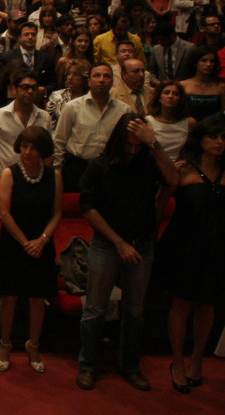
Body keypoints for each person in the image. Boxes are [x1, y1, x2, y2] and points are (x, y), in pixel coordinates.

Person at [75, 113, 178, 392]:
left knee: (135, 311)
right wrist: (119, 243)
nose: (133, 151)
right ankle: (87, 364)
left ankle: (130, 365)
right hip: (106, 244)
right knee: (94, 310)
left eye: (138, 146)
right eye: (129, 145)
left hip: (142, 243)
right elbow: (88, 208)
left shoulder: (148, 161)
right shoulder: (99, 165)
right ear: (119, 140)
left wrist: (153, 143)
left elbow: (173, 179)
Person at [159, 115, 225, 393]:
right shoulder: (183, 169)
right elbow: (159, 205)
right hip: (184, 245)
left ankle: (197, 359)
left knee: (207, 306)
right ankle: (177, 362)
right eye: (214, 136)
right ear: (200, 139)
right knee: (181, 306)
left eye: (224, 137)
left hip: (217, 247)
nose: (220, 142)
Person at [0, 126, 62, 374]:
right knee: (9, 297)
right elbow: (4, 213)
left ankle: (33, 345)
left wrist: (41, 240)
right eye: (24, 146)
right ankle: (5, 344)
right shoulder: (9, 174)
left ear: (43, 150)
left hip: (42, 243)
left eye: (33, 148)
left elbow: (57, 213)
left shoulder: (54, 175)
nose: (28, 152)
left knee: (37, 298)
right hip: (14, 244)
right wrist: (26, 243)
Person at [54, 62, 131, 192]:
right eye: (97, 76)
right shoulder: (72, 107)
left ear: (112, 81)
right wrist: (57, 171)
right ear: (89, 81)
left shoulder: (124, 110)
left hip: (109, 169)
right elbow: (59, 142)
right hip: (77, 168)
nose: (101, 80)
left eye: (106, 76)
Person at [0, 71, 52, 186]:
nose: (30, 91)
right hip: (6, 180)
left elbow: (49, 152)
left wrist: (44, 179)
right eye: (25, 87)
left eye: (34, 88)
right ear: (14, 89)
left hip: (36, 180)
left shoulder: (44, 117)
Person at [145, 80, 193, 161]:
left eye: (175, 94)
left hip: (181, 167)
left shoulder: (189, 122)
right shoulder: (148, 121)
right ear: (159, 97)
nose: (170, 96)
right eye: (166, 93)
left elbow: (191, 151)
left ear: (180, 99)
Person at [178, 49, 224, 122]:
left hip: (215, 129)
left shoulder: (221, 86)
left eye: (212, 61)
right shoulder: (183, 85)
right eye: (204, 60)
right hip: (189, 127)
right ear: (195, 63)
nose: (209, 64)